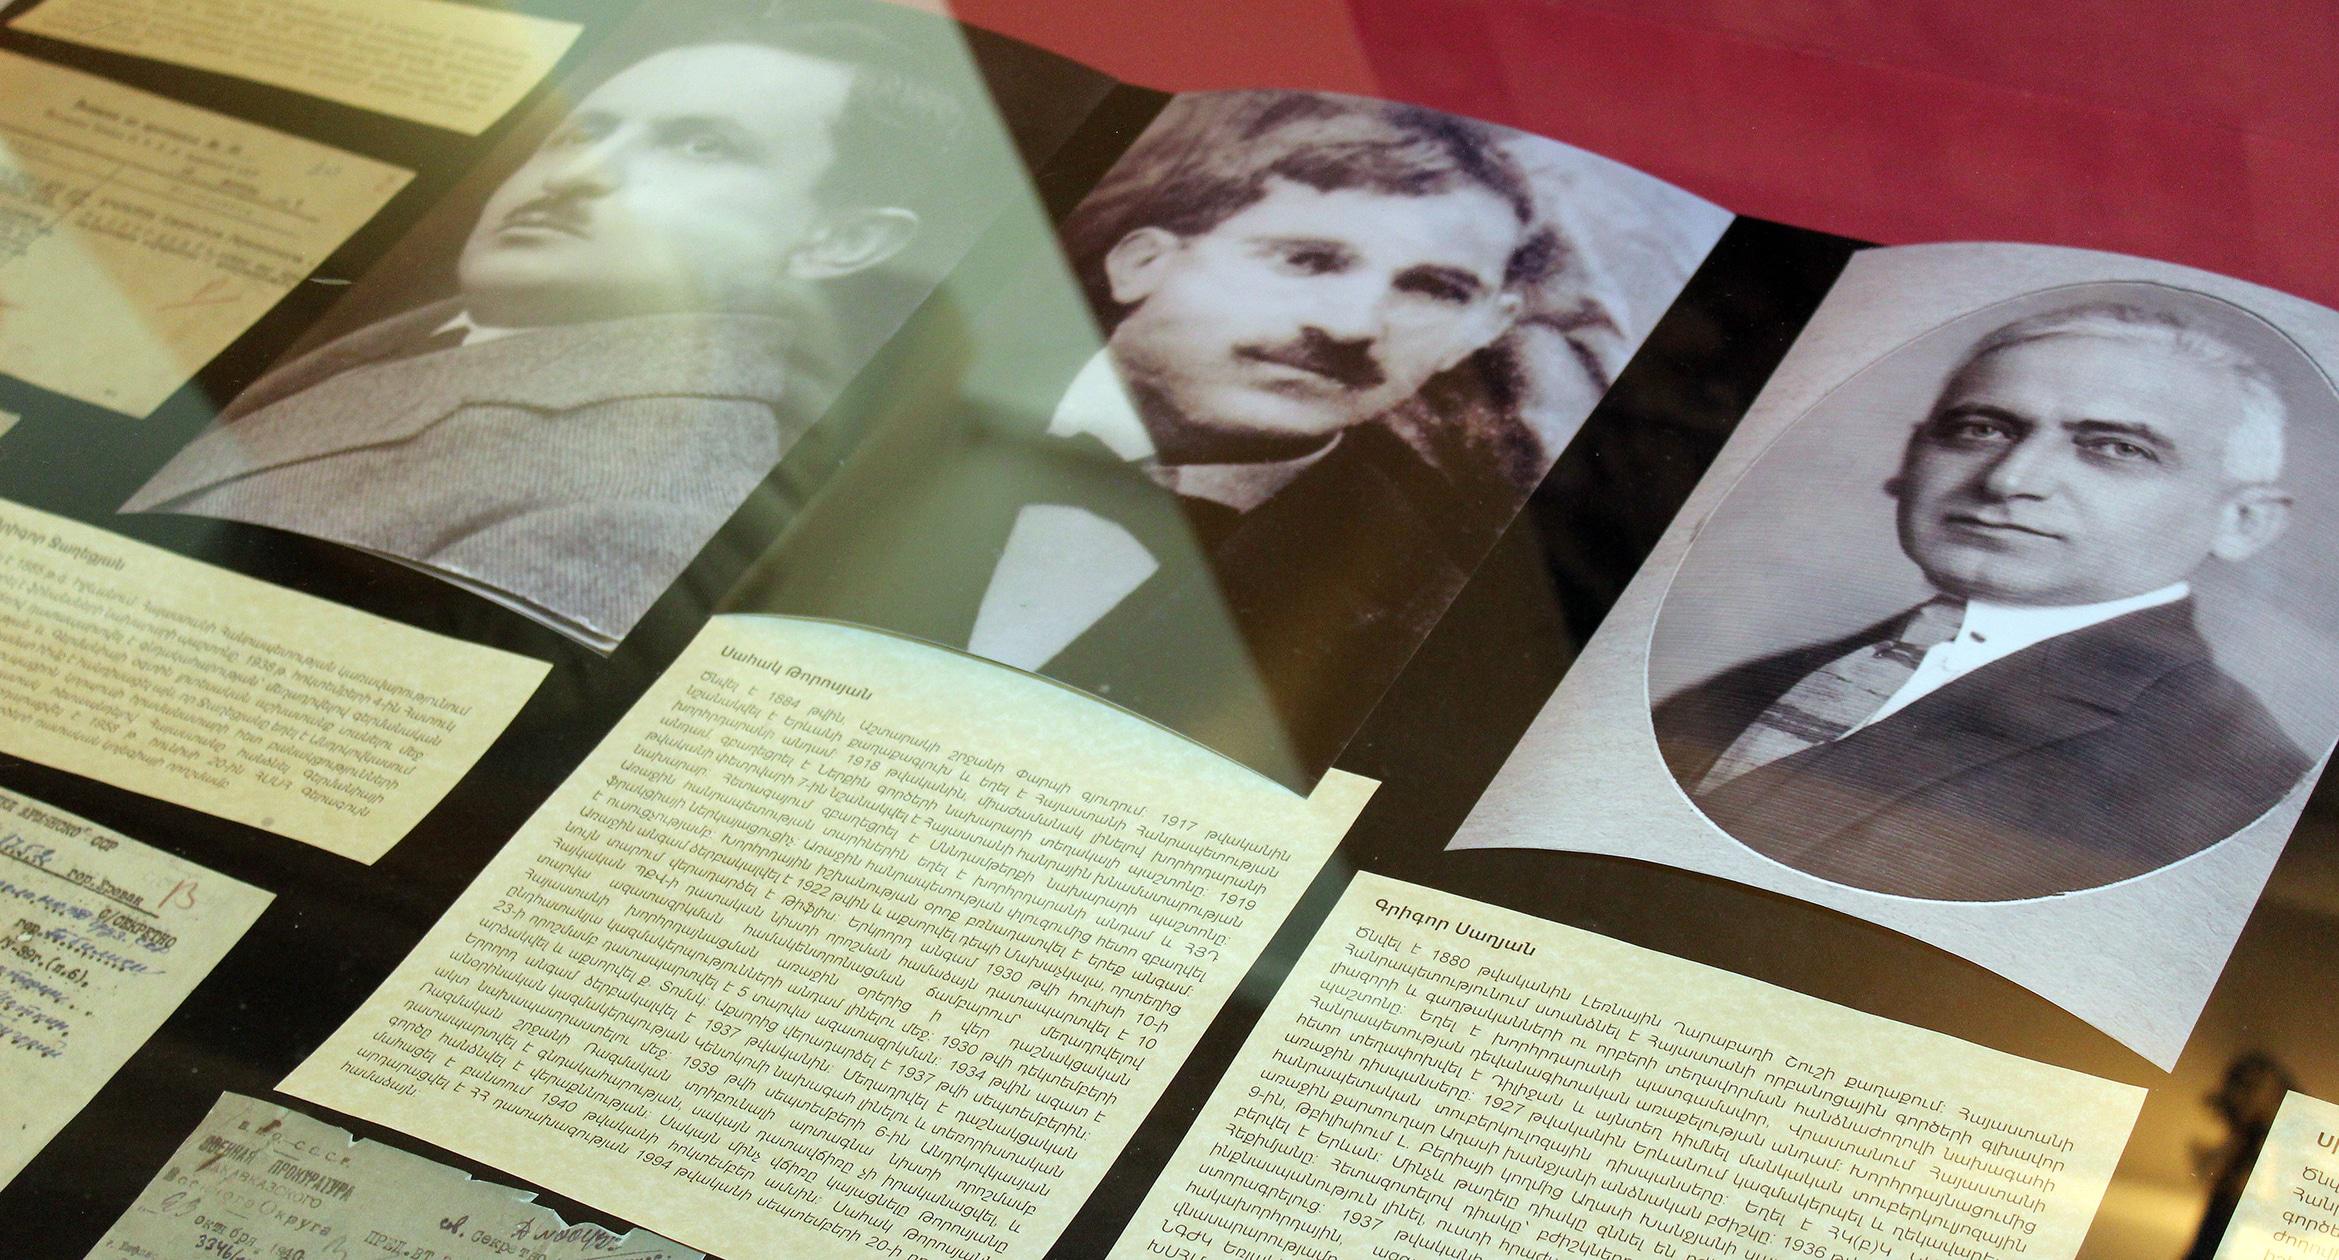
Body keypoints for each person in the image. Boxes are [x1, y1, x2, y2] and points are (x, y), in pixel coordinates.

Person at [124, 14, 972, 646]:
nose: (580, 174)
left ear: (840, 241)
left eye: (699, 148)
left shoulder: (662, 466)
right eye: (580, 132)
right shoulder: (421, 348)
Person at [1654, 302, 2312, 901]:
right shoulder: (1748, 686)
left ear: (2243, 522)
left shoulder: (2237, 788)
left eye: (2117, 448)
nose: (2008, 480)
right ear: (1909, 460)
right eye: (1982, 430)